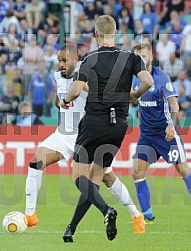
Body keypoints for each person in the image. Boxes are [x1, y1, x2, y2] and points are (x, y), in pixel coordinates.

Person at [25, 43, 150, 239]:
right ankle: (30, 215)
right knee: (36, 162)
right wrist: (60, 102)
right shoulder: (58, 76)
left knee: (107, 178)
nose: (61, 64)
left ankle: (136, 215)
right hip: (63, 134)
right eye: (59, 61)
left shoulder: (88, 74)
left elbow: (99, 95)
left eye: (65, 60)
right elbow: (62, 99)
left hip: (86, 134)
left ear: (77, 60)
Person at [60, 15, 153, 242]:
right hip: (118, 126)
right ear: (116, 33)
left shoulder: (90, 58)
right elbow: (149, 82)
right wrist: (134, 95)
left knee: (78, 177)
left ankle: (107, 210)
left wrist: (65, 99)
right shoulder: (131, 57)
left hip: (93, 123)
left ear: (96, 35)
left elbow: (76, 89)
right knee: (94, 179)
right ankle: (71, 229)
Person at [131, 42, 191, 225]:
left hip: (166, 132)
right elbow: (130, 97)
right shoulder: (134, 77)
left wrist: (171, 124)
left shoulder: (161, 77)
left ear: (151, 56)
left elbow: (174, 103)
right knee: (136, 172)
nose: (140, 60)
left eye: (143, 56)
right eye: (137, 57)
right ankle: (147, 216)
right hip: (147, 135)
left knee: (182, 169)